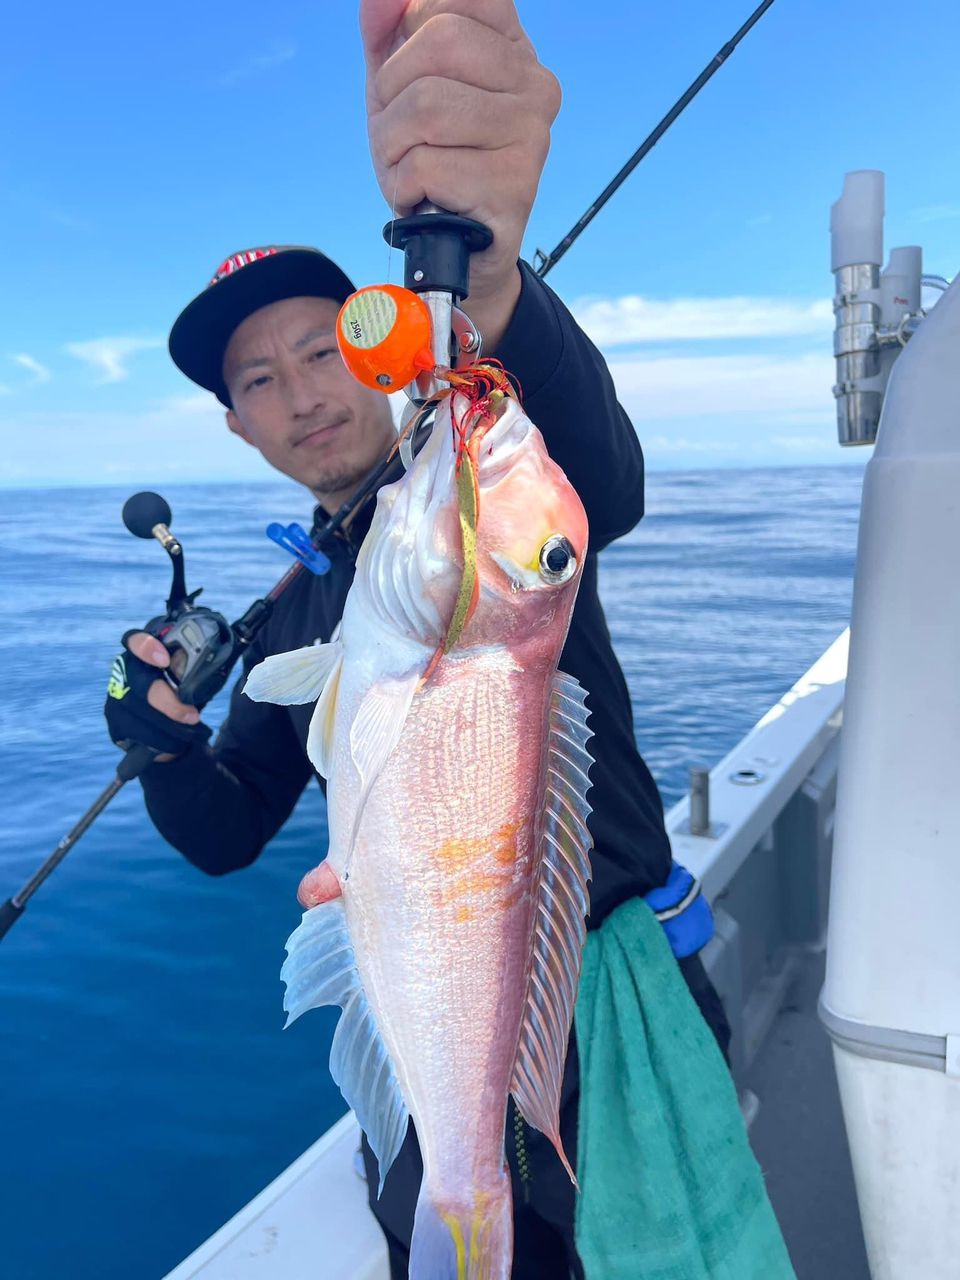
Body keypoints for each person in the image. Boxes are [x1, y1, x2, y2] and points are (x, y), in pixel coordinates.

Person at [105, 2, 729, 1276]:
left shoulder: (477, 504)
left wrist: (487, 276)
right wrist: (156, 740)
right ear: (238, 429)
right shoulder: (299, 613)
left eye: (319, 347)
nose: (301, 392)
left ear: (385, 341)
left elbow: (599, 479)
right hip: (429, 1042)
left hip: (607, 1015)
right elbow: (230, 829)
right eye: (257, 381)